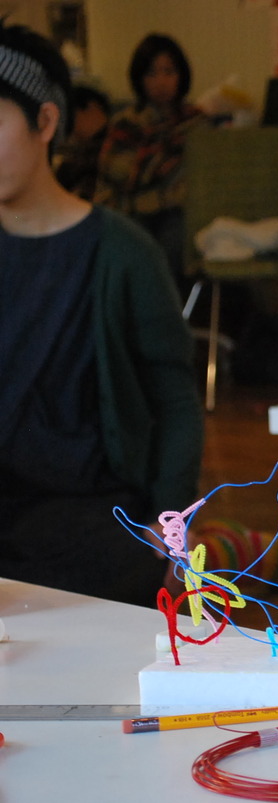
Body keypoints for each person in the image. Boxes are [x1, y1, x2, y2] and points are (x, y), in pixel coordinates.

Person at [0, 21, 203, 606]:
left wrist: (171, 524)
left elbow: (175, 398)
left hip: (94, 514)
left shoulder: (123, 252)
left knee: (112, 594)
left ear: (45, 122)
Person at [95, 32, 207, 290]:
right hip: (129, 209)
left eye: (168, 71)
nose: (161, 82)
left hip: (176, 210)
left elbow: (199, 180)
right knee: (132, 243)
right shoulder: (126, 124)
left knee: (177, 238)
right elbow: (119, 173)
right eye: (151, 74)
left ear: (181, 75)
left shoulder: (194, 124)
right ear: (139, 79)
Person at [54, 84, 110, 200]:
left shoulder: (112, 145)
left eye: (72, 115)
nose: (70, 126)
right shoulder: (82, 152)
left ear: (93, 107)